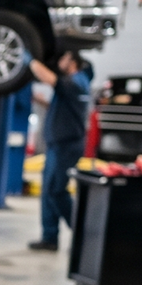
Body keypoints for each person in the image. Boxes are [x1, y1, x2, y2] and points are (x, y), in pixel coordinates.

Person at [27, 51, 92, 252]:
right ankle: (50, 237)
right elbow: (62, 104)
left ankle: (85, 233)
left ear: (73, 62)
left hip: (66, 147)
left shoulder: (76, 82)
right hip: (58, 146)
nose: (59, 62)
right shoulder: (74, 85)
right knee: (49, 191)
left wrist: (28, 57)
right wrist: (38, 100)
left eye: (63, 58)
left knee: (56, 191)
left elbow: (48, 77)